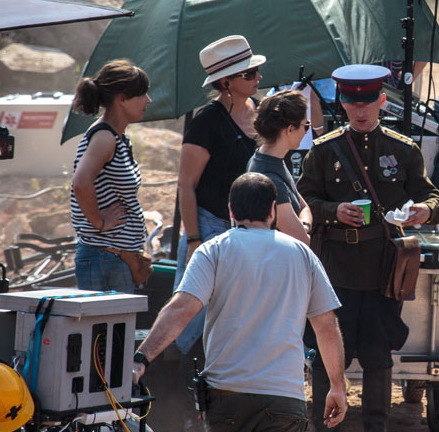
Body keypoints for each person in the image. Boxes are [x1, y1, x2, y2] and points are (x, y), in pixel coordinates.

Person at [133, 173, 348, 432]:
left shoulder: (214, 250)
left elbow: (181, 310)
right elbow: (325, 325)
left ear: (231, 211)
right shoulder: (301, 254)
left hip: (224, 393)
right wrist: (336, 385)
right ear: (272, 211)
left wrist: (142, 358)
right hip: (281, 394)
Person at [297, 64, 439, 432]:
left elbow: (436, 198)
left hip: (383, 271)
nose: (359, 109)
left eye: (367, 101)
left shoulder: (402, 150)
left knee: (379, 357)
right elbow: (305, 200)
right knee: (325, 360)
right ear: (342, 101)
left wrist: (423, 210)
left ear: (382, 100)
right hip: (336, 273)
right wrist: (332, 211)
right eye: (351, 101)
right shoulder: (324, 150)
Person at [172, 35, 265, 356]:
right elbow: (186, 184)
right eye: (249, 74)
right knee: (188, 316)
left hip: (246, 231)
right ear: (226, 82)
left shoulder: (261, 111)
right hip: (209, 225)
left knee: (233, 317)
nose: (258, 78)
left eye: (255, 71)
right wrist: (195, 239)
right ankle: (166, 386)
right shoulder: (206, 121)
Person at [69, 60, 151, 292]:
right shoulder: (104, 138)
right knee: (100, 330)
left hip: (115, 259)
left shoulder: (119, 137)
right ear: (122, 98)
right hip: (103, 259)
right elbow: (80, 183)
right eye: (142, 94)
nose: (148, 101)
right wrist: (99, 221)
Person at [248, 90, 313, 245]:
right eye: (306, 125)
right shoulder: (271, 179)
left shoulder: (270, 158)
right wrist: (306, 228)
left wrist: (303, 225)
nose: (306, 131)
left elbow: (305, 207)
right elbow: (303, 241)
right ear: (290, 129)